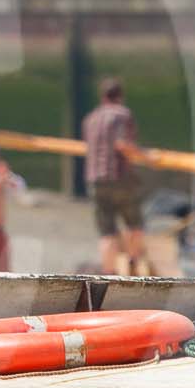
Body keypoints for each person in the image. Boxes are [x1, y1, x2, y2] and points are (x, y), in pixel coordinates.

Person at [82, 77, 148, 275]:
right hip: (120, 177)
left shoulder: (91, 118)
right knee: (133, 224)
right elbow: (122, 144)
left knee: (106, 232)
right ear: (120, 96)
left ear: (103, 97)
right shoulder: (122, 115)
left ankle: (109, 273)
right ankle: (133, 264)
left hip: (95, 180)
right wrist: (145, 155)